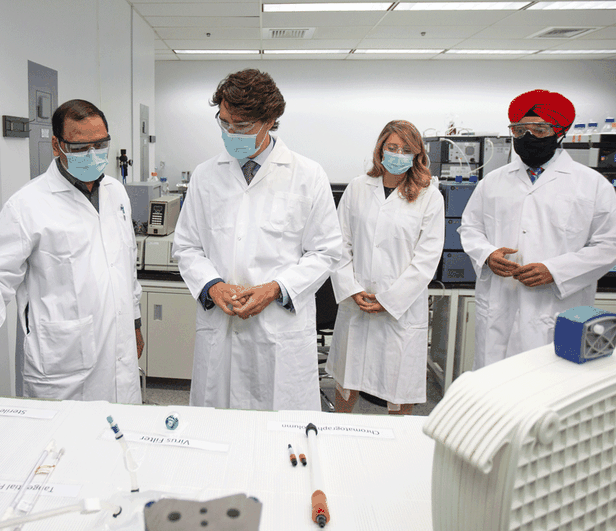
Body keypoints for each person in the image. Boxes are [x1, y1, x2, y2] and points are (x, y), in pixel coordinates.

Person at [0, 99, 144, 403]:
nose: (93, 155)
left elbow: (124, 266)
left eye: (100, 144)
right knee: (61, 445)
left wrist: (135, 322)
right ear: (56, 145)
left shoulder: (115, 192)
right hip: (64, 363)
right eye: (79, 148)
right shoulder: (27, 205)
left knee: (119, 439)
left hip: (119, 349)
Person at [172, 69, 342, 411]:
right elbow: (187, 246)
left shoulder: (307, 176)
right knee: (216, 436)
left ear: (270, 120)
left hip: (278, 330)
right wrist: (212, 286)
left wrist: (274, 289)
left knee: (280, 442)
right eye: (224, 123)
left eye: (243, 126)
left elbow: (326, 251)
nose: (231, 133)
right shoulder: (206, 175)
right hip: (221, 324)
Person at [459, 89, 616, 369]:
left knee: (549, 393)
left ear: (560, 132)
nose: (527, 137)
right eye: (519, 130)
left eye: (539, 129)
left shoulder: (592, 185)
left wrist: (555, 270)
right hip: (499, 305)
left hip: (557, 308)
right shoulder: (493, 182)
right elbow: (470, 228)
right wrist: (487, 254)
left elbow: (608, 246)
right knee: (494, 392)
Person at [326, 120, 444, 415]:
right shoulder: (357, 188)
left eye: (406, 149)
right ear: (380, 149)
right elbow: (340, 244)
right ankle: (338, 434)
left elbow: (427, 258)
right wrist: (351, 289)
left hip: (399, 309)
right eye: (392, 147)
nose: (397, 154)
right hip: (359, 300)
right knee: (347, 379)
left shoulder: (429, 195)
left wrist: (390, 300)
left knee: (399, 385)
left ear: (417, 155)